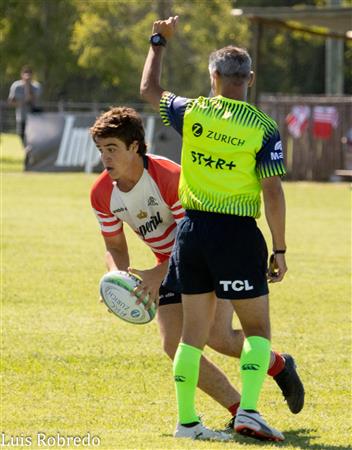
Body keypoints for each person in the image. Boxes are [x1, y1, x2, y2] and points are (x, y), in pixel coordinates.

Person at [90, 107, 304, 441]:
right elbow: (115, 245)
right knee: (174, 345)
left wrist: (156, 274)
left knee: (217, 337)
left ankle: (276, 366)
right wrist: (116, 279)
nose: (105, 157)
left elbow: (191, 240)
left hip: (207, 255)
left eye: (112, 148)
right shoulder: (102, 193)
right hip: (169, 263)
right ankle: (241, 411)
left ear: (135, 146)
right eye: (101, 150)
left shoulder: (169, 178)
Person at [140, 15, 305, 442]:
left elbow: (149, 90)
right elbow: (273, 191)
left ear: (213, 76)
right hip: (236, 234)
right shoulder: (262, 127)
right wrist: (280, 249)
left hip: (191, 233)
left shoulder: (193, 112)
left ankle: (187, 423)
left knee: (192, 337)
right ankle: (248, 412)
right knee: (258, 333)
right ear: (249, 79)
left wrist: (158, 42)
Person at [8, 65, 42, 146]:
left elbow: (32, 99)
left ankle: (29, 155)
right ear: (21, 75)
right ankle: (28, 153)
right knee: (22, 137)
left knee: (33, 138)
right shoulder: (16, 86)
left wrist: (27, 87)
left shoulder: (36, 86)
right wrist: (22, 102)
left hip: (34, 117)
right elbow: (11, 102)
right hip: (21, 117)